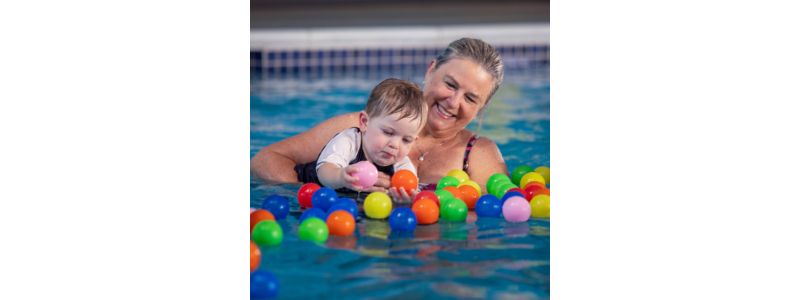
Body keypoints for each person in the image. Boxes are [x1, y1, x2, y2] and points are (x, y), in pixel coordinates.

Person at [251, 37, 507, 193]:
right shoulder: (360, 130)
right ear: (431, 71)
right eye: (450, 84)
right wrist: (310, 196)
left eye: (470, 98)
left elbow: (498, 219)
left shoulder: (478, 154)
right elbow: (266, 159)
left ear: (481, 107)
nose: (453, 102)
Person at [296, 78, 426, 203]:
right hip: (305, 188)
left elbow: (413, 189)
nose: (395, 145)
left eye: (406, 140)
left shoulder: (402, 164)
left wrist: (406, 198)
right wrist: (341, 176)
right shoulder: (349, 141)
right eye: (388, 132)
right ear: (364, 122)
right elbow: (325, 170)